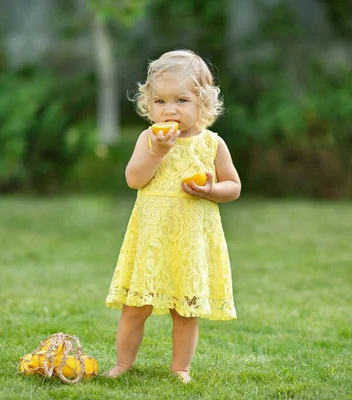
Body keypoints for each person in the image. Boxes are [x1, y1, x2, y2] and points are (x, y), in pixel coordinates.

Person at [103, 49, 241, 383]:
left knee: (184, 310)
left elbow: (233, 186)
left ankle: (181, 368)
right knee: (135, 308)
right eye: (160, 101)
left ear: (202, 104)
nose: (170, 110)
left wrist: (211, 190)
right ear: (148, 104)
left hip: (189, 240)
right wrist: (158, 152)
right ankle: (123, 363)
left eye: (181, 100)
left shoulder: (212, 144)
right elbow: (135, 179)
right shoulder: (149, 139)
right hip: (152, 238)